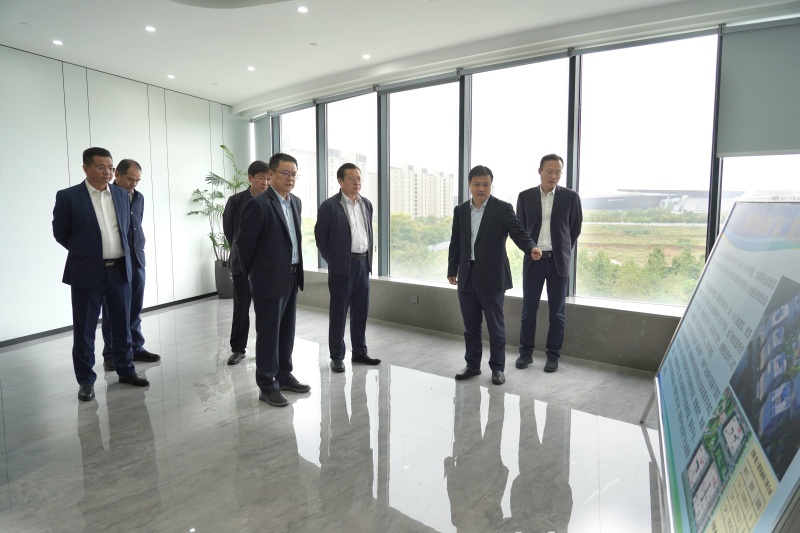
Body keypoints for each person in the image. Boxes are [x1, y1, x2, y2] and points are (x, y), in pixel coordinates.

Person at [52, 147, 149, 402]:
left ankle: (126, 370)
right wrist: (86, 253)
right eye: (100, 167)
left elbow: (126, 229)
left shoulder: (121, 194)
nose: (107, 172)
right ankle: (86, 381)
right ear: (86, 168)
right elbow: (60, 233)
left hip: (119, 270)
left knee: (122, 325)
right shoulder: (69, 197)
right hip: (87, 272)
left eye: (110, 167)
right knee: (85, 330)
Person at [447, 165, 537, 385]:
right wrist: (452, 269)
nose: (481, 188)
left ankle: (497, 368)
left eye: (486, 184)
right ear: (469, 185)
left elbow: (518, 233)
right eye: (477, 184)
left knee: (496, 327)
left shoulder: (502, 209)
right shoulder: (461, 210)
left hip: (493, 277)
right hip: (467, 276)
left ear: (491, 185)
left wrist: (531, 248)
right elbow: (456, 242)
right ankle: (472, 365)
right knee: (471, 327)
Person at [236, 153, 310, 407]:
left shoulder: (296, 202)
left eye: (294, 174)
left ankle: (284, 375)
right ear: (271, 174)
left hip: (292, 275)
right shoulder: (259, 205)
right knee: (268, 334)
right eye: (284, 173)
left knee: (287, 331)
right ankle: (267, 385)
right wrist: (256, 276)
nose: (290, 178)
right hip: (268, 280)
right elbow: (244, 247)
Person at [515, 154, 582, 373]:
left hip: (558, 262)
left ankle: (553, 356)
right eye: (549, 171)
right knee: (528, 311)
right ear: (540, 171)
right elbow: (520, 229)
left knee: (557, 313)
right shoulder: (525, 197)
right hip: (533, 261)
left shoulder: (571, 197)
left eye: (558, 172)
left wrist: (562, 250)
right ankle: (525, 353)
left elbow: (574, 229)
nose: (553, 176)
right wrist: (530, 249)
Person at [314, 163, 381, 373]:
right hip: (342, 266)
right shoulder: (329, 206)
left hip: (363, 264)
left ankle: (359, 352)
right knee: (339, 313)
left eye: (359, 178)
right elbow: (320, 238)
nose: (357, 182)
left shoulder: (366, 204)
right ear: (340, 181)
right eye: (352, 179)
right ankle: (337, 356)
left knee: (361, 311)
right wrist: (334, 260)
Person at [100, 159, 160, 371]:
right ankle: (111, 354)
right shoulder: (108, 196)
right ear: (117, 174)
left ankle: (136, 347)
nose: (133, 184)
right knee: (113, 311)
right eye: (130, 179)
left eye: (137, 180)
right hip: (117, 261)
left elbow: (137, 225)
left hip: (137, 258)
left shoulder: (139, 197)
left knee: (135, 306)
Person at [222, 160, 270, 366]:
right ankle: (238, 349)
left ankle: (265, 348)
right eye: (261, 178)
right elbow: (229, 232)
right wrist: (241, 254)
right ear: (250, 178)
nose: (265, 183)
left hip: (265, 266)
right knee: (241, 308)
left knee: (265, 310)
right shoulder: (236, 201)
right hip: (242, 264)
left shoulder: (272, 200)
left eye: (268, 179)